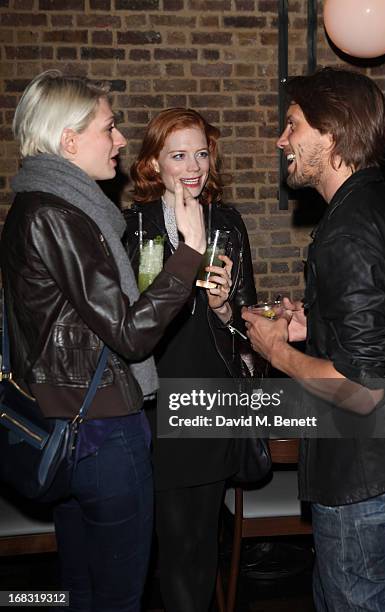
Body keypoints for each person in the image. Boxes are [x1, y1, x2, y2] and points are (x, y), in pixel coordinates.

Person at [1, 71, 206, 612]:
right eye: (109, 127)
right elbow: (131, 334)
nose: (119, 139)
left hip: (67, 424)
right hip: (101, 432)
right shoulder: (58, 214)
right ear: (69, 140)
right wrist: (189, 252)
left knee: (81, 592)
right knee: (117, 598)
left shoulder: (39, 206)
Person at [242, 67, 385, 611]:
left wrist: (277, 350)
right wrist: (315, 327)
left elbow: (361, 388)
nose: (281, 139)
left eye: (292, 125)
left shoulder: (347, 229)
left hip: (362, 472)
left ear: (331, 134)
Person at [125, 107, 257, 612]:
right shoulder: (132, 227)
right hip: (150, 400)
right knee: (162, 540)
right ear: (154, 164)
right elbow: (121, 322)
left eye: (200, 152)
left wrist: (226, 308)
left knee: (198, 543)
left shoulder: (228, 222)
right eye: (178, 155)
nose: (193, 166)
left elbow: (246, 323)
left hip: (208, 398)